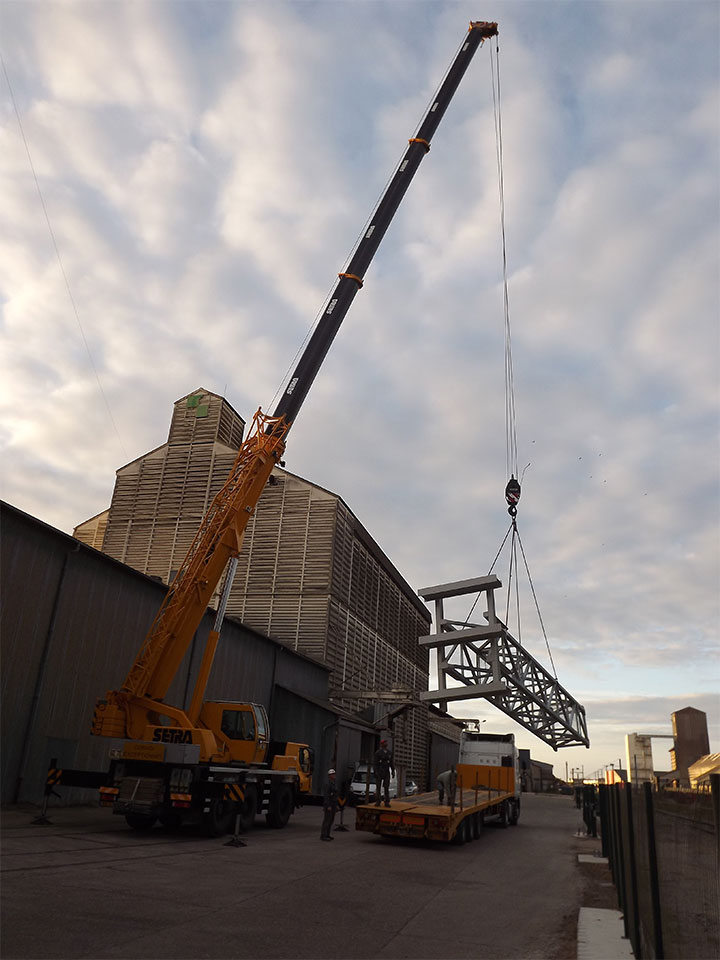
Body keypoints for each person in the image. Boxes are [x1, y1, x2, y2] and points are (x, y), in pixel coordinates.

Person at [374, 739, 394, 807]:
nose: (385, 744)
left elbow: (391, 763)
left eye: (386, 742)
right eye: (384, 743)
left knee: (386, 787)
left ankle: (387, 801)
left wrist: (393, 771)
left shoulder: (389, 753)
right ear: (381, 744)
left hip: (386, 771)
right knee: (378, 787)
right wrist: (375, 771)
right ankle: (378, 801)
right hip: (380, 771)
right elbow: (375, 763)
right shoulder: (378, 753)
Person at [320, 768, 338, 841]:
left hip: (333, 804)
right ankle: (323, 835)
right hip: (329, 804)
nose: (334, 775)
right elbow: (327, 796)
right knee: (327, 820)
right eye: (333, 774)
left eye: (334, 774)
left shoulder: (333, 783)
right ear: (330, 775)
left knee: (331, 820)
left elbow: (335, 795)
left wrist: (336, 805)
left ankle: (327, 834)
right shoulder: (328, 784)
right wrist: (328, 806)